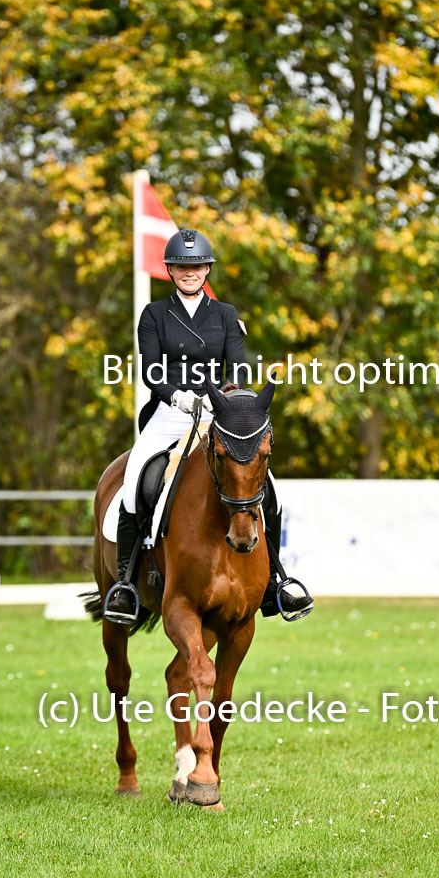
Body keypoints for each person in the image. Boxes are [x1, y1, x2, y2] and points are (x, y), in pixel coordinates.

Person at [104, 228, 313, 623]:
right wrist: (178, 397)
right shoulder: (153, 315)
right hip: (170, 413)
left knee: (270, 489)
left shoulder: (225, 315)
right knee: (133, 486)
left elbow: (237, 368)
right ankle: (126, 585)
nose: (190, 272)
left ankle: (275, 584)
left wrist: (228, 396)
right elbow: (151, 371)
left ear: (207, 270)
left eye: (197, 266)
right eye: (182, 266)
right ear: (170, 269)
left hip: (217, 413)